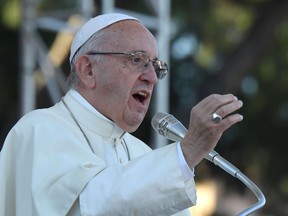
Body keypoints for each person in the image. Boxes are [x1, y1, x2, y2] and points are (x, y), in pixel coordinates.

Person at [0, 13, 243, 216]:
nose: (151, 78)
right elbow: (87, 206)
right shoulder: (38, 130)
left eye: (156, 67)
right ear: (88, 69)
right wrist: (188, 151)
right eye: (137, 60)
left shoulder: (142, 154)